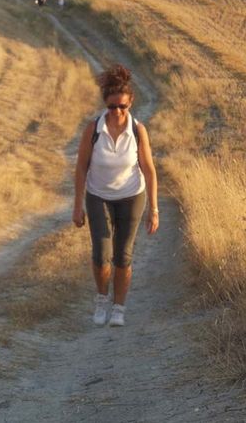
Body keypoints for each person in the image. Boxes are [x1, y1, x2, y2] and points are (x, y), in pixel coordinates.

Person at [73, 64, 158, 327]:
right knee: (101, 253)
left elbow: (149, 170)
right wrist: (78, 205)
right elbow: (80, 168)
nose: (117, 112)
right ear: (105, 105)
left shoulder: (137, 130)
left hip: (132, 195)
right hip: (98, 195)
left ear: (130, 103)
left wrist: (153, 209)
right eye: (112, 107)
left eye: (122, 106)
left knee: (123, 255)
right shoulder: (93, 130)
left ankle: (118, 308)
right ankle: (101, 299)